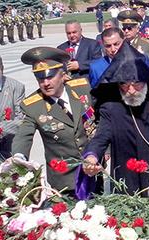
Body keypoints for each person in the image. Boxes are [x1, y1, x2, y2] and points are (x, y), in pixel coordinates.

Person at [81, 42, 149, 207]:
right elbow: (101, 135)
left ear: (145, 78)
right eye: (124, 84)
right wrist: (92, 156)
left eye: (136, 83)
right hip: (128, 178)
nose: (130, 90)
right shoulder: (111, 104)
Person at [12, 47, 96, 197]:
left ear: (63, 75)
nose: (45, 83)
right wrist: (19, 157)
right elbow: (23, 135)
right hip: (64, 180)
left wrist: (104, 151)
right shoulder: (33, 106)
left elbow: (99, 121)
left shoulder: (82, 89)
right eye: (40, 79)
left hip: (93, 170)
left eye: (50, 77)